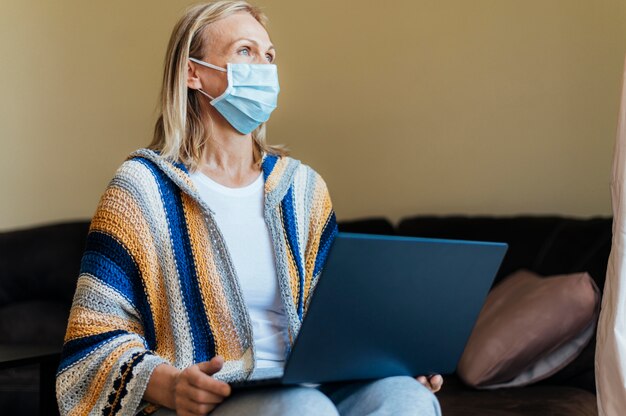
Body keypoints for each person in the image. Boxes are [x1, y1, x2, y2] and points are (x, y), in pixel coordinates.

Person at [55, 2, 444, 415]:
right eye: (245, 51)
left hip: (312, 384)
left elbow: (338, 319)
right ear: (193, 73)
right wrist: (168, 385)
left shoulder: (303, 188)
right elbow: (93, 338)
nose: (264, 67)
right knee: (304, 408)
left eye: (269, 55)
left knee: (409, 398)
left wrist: (391, 358)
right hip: (212, 400)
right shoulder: (141, 190)